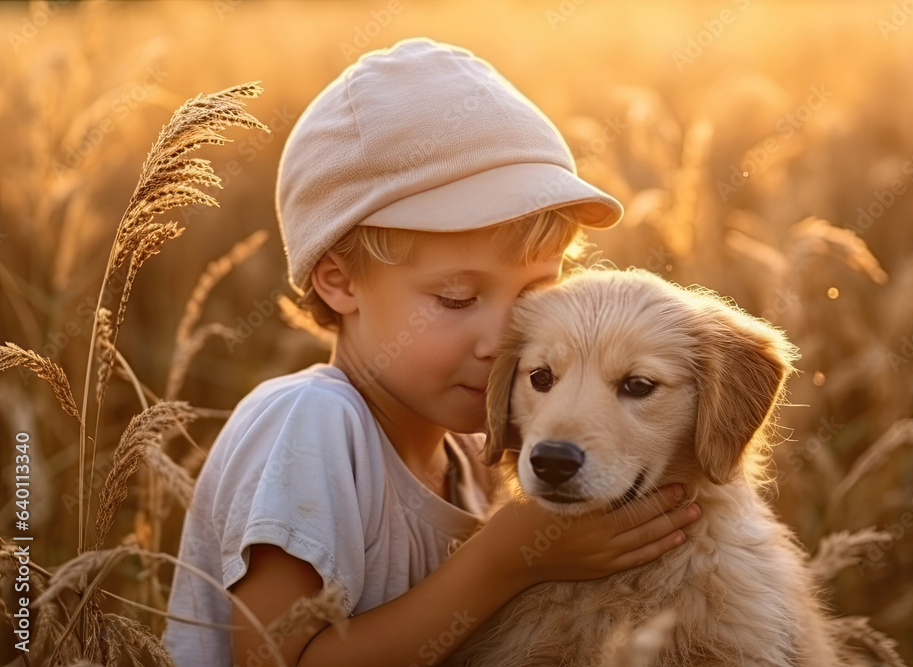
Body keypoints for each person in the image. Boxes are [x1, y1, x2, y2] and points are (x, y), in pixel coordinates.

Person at [162, 37, 700, 667]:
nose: (505, 339)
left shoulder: (475, 454)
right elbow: (276, 661)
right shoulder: (312, 424)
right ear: (340, 281)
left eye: (535, 293)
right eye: (454, 297)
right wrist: (501, 562)